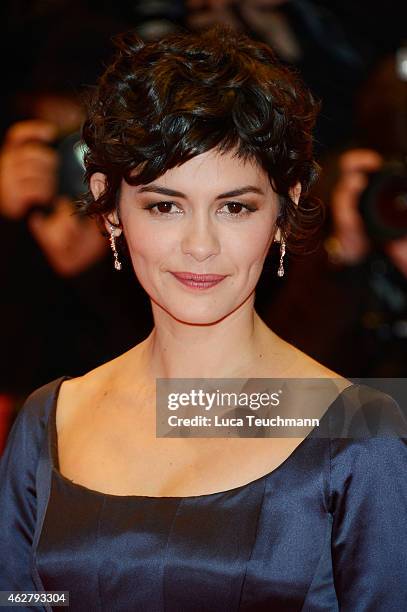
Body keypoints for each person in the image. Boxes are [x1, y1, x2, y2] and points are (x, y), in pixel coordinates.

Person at [0, 25, 406, 611]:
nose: (200, 245)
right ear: (110, 207)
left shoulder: (362, 434)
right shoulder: (47, 421)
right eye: (165, 205)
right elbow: (20, 601)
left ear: (283, 212)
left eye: (235, 207)